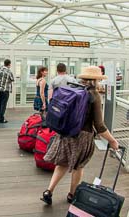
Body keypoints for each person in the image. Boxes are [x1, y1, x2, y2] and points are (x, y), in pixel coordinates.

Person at [41, 66, 119, 205]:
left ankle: (48, 191)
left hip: (66, 132)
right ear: (96, 80)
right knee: (78, 166)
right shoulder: (94, 95)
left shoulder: (73, 88)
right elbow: (99, 126)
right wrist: (112, 141)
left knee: (62, 163)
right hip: (83, 136)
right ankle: (72, 195)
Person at [0, 59, 14, 123]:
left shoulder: (0, 69)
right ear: (9, 64)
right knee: (3, 104)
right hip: (5, 90)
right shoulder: (8, 71)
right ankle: (1, 118)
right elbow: (12, 79)